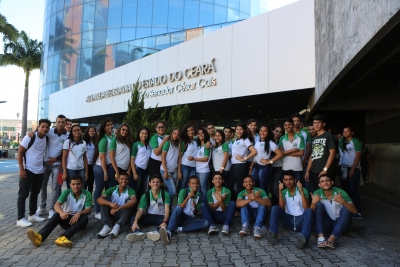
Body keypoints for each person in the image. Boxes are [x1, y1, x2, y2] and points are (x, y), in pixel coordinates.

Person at [26, 174, 92, 247]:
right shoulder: (67, 192)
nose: (76, 186)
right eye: (73, 184)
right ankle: (40, 237)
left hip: (78, 222)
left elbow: (88, 210)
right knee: (57, 213)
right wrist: (62, 212)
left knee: (85, 218)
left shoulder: (87, 194)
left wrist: (79, 213)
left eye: (78, 184)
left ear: (82, 184)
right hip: (66, 218)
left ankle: (63, 238)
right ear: (70, 185)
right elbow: (56, 205)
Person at [263, 170, 313, 249]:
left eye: (290, 179)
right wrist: (280, 191)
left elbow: (306, 208)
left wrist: (301, 191)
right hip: (288, 221)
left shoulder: (303, 190)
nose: (288, 182)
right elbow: (282, 208)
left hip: (300, 221)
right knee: (275, 208)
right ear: (283, 181)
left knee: (309, 211)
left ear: (295, 180)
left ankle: (305, 238)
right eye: (286, 180)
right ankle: (273, 234)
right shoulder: (284, 192)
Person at [17, 119, 51, 227]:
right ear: (38, 127)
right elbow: (20, 153)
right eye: (43, 127)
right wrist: (22, 169)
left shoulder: (46, 138)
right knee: (23, 194)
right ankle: (20, 218)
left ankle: (32, 214)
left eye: (47, 127)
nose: (45, 129)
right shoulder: (30, 137)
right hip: (28, 170)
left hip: (40, 170)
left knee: (35, 193)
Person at [311, 174, 357, 249]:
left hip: (343, 226)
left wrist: (342, 201)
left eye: (327, 181)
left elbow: (355, 211)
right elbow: (311, 213)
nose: (325, 183)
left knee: (346, 208)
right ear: (319, 185)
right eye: (322, 181)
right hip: (328, 224)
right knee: (319, 205)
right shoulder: (317, 193)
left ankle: (333, 238)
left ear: (332, 182)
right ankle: (320, 237)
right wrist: (313, 203)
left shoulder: (340, 192)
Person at [36, 114, 69, 219]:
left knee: (55, 187)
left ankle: (52, 209)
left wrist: (56, 158)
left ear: (65, 123)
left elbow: (67, 152)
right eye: (58, 122)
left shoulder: (68, 135)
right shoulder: (49, 132)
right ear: (56, 122)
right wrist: (31, 133)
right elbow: (39, 134)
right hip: (45, 164)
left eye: (63, 122)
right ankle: (42, 207)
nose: (60, 124)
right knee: (42, 186)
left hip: (57, 165)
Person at [160, 175, 209, 244]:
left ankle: (179, 229)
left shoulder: (200, 196)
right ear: (189, 184)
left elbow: (195, 213)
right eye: (193, 183)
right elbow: (180, 207)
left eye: (197, 183)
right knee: (177, 208)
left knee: (206, 222)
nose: (195, 185)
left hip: (190, 219)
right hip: (182, 216)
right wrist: (187, 198)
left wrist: (195, 207)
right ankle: (169, 232)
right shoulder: (184, 191)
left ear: (199, 184)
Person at [126, 174, 170, 243]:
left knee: (170, 219)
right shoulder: (146, 195)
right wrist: (135, 222)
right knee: (133, 217)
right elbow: (140, 210)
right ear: (149, 183)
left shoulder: (165, 194)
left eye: (157, 182)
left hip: (161, 217)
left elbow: (167, 209)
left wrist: (165, 221)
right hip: (149, 216)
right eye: (153, 182)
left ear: (161, 184)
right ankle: (138, 233)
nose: (155, 184)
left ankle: (156, 232)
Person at [97, 173, 137, 238]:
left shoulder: (130, 190)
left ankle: (117, 226)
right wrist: (110, 204)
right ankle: (106, 226)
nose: (124, 181)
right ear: (118, 180)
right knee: (103, 203)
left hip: (123, 215)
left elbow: (134, 201)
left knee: (130, 204)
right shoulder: (113, 189)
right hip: (112, 214)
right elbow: (99, 199)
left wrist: (120, 207)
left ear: (128, 181)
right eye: (122, 179)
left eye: (126, 179)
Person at [305, 115, 336, 192]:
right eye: (314, 123)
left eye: (318, 123)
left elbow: (332, 153)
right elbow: (312, 156)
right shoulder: (314, 138)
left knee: (328, 192)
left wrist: (325, 169)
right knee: (318, 192)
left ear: (324, 124)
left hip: (326, 171)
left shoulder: (328, 135)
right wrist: (307, 171)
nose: (316, 125)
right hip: (314, 170)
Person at [250, 125, 283, 194]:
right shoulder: (258, 141)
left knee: (263, 187)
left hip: (264, 167)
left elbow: (280, 154)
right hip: (256, 166)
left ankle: (265, 203)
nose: (262, 133)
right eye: (261, 131)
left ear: (268, 132)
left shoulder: (270, 143)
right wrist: (251, 167)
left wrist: (270, 161)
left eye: (265, 131)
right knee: (253, 185)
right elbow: (255, 155)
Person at [338, 127, 362, 219]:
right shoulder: (343, 141)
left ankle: (358, 211)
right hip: (344, 167)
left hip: (353, 168)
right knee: (346, 189)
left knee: (353, 188)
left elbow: (358, 156)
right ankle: (348, 209)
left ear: (352, 132)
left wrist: (353, 169)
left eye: (348, 131)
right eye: (344, 131)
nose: (345, 133)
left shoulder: (355, 141)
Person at [229, 122, 257, 199]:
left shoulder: (245, 140)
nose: (239, 131)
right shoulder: (237, 139)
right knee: (230, 184)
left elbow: (254, 151)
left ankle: (241, 204)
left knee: (240, 186)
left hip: (240, 165)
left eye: (241, 129)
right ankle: (235, 202)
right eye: (237, 129)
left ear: (244, 130)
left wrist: (244, 159)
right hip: (234, 164)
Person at [93, 117, 114, 220]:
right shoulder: (104, 139)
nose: (110, 126)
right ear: (104, 128)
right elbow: (102, 157)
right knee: (99, 190)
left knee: (109, 190)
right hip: (101, 168)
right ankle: (97, 211)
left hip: (108, 167)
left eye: (111, 124)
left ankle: (109, 210)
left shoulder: (112, 136)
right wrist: (105, 172)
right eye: (108, 125)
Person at [279, 118, 305, 182]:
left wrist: (285, 153)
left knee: (298, 187)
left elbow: (301, 153)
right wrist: (292, 150)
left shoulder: (300, 137)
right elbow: (281, 153)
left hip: (297, 167)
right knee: (287, 188)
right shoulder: (282, 138)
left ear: (293, 125)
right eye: (286, 125)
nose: (288, 126)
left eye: (289, 124)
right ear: (284, 127)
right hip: (286, 167)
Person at [62, 125, 88, 189]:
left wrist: (86, 172)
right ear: (72, 132)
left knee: (81, 187)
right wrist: (65, 172)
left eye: (78, 130)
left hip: (81, 169)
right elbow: (64, 157)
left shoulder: (84, 143)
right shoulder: (68, 142)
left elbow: (85, 158)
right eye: (74, 130)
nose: (77, 132)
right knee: (71, 188)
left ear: (81, 131)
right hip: (70, 168)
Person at [189, 128, 211, 203]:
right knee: (198, 189)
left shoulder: (207, 145)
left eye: (202, 133)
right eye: (199, 133)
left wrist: (194, 159)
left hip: (204, 171)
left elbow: (205, 159)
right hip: (197, 170)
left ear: (205, 134)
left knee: (204, 190)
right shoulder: (198, 145)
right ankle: (198, 205)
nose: (200, 135)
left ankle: (204, 206)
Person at [130, 126, 151, 201]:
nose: (144, 135)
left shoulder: (149, 145)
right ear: (139, 134)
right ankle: (133, 208)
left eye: (146, 133)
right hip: (138, 169)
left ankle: (140, 207)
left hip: (146, 170)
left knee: (143, 189)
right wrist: (134, 172)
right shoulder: (136, 144)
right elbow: (132, 159)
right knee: (136, 189)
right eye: (142, 133)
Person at [160, 127, 181, 202]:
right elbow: (162, 157)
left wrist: (179, 172)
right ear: (171, 134)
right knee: (173, 191)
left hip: (174, 170)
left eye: (178, 134)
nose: (176, 135)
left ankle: (168, 208)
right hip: (166, 170)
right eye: (174, 133)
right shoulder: (167, 143)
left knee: (171, 191)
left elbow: (179, 159)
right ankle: (167, 206)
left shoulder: (178, 144)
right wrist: (165, 171)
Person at [109, 124, 133, 188]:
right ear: (119, 130)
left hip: (125, 170)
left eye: (127, 130)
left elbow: (131, 157)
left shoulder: (129, 142)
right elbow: (111, 156)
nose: (125, 131)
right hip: (115, 168)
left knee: (129, 188)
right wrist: (117, 171)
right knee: (114, 189)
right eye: (123, 129)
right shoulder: (115, 140)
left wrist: (129, 170)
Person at [178, 124, 198, 193]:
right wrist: (179, 171)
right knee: (182, 184)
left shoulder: (196, 141)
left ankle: (188, 200)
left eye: (192, 130)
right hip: (185, 166)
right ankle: (180, 200)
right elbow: (180, 157)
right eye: (188, 131)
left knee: (190, 185)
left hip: (194, 167)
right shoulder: (184, 142)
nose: (190, 132)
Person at [270, 125, 284, 205]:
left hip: (279, 166)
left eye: (280, 132)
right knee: (271, 188)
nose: (278, 133)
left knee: (276, 188)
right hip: (270, 167)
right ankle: (274, 206)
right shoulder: (269, 141)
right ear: (273, 131)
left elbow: (282, 153)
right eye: (276, 131)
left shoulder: (282, 141)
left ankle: (280, 205)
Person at [83, 126, 96, 194]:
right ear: (87, 132)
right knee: (85, 183)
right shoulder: (84, 142)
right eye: (90, 131)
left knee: (91, 184)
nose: (91, 132)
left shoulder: (96, 141)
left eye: (93, 131)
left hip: (93, 165)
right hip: (85, 165)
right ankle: (82, 201)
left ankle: (89, 200)